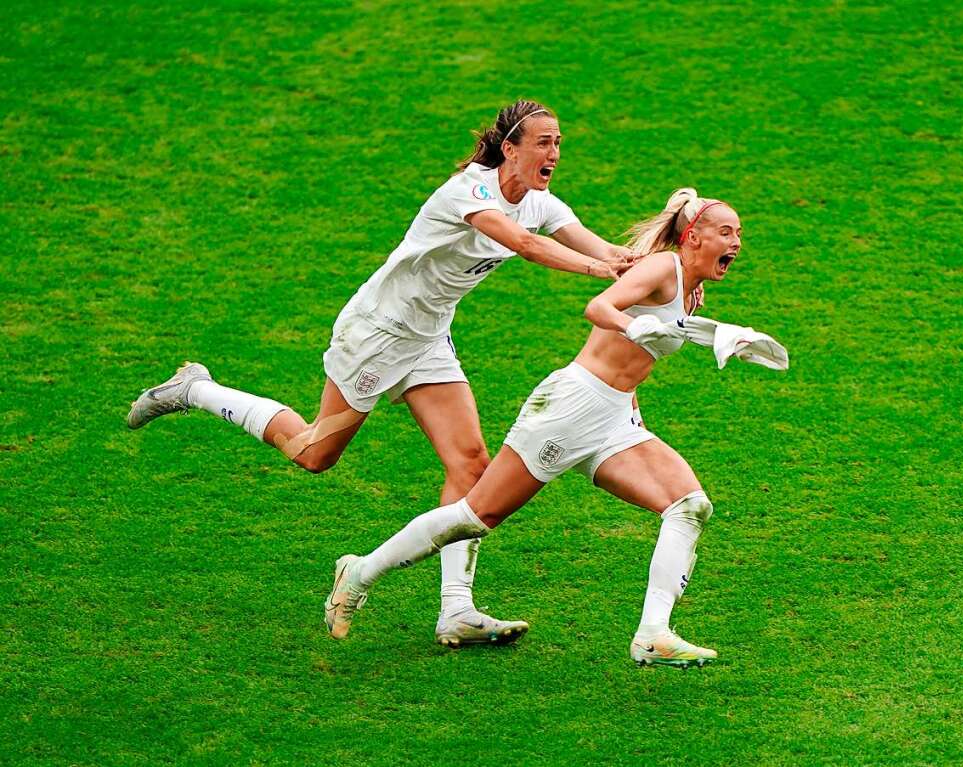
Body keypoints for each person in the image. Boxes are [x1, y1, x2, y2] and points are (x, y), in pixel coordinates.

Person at [126, 100, 632, 648]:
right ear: (510, 148)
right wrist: (596, 271)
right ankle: (196, 389)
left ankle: (456, 610)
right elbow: (527, 246)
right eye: (543, 142)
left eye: (558, 143)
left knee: (470, 463)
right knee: (313, 453)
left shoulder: (540, 202)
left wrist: (668, 250)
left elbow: (608, 250)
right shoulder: (470, 190)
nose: (554, 153)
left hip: (426, 339)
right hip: (376, 334)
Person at [324, 188, 746, 668]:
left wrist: (727, 336)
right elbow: (600, 309)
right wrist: (634, 330)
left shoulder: (693, 289)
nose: (736, 242)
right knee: (475, 514)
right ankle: (359, 573)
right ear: (692, 236)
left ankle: (653, 633)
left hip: (614, 417)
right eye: (726, 232)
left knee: (689, 506)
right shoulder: (661, 268)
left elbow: (644, 352)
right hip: (570, 407)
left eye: (739, 234)